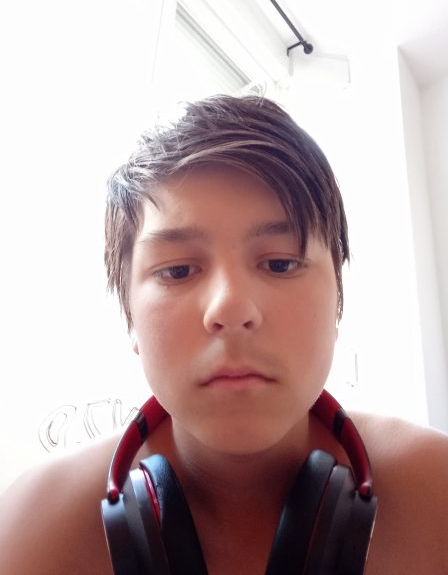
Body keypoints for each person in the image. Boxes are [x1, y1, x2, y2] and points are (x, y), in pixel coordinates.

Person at [1, 95, 448, 574]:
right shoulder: (33, 531)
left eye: (280, 263)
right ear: (129, 316)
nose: (231, 309)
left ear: (338, 300)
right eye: (177, 271)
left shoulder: (436, 495)